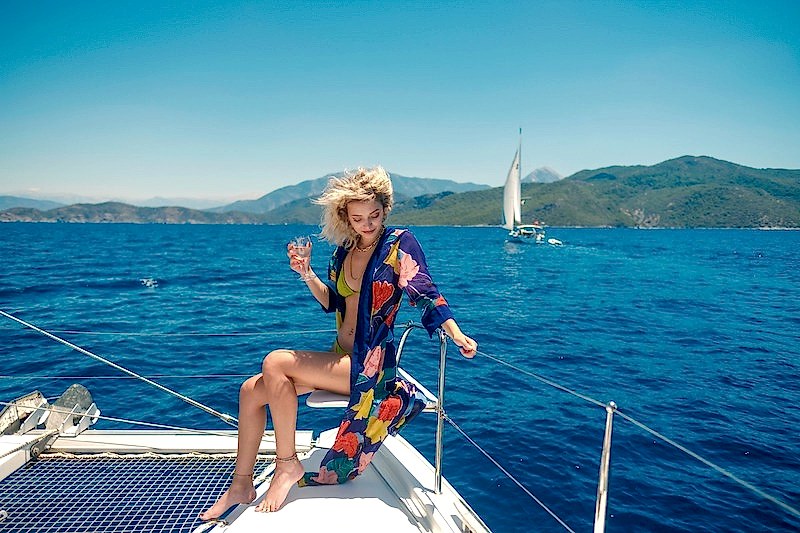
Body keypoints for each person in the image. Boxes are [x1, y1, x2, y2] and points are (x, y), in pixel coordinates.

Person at [200, 166, 477, 520]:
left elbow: (425, 292)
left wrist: (455, 333)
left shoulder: (399, 244)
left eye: (374, 215)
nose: (368, 224)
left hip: (369, 367)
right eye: (358, 218)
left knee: (275, 362)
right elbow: (334, 302)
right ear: (346, 216)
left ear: (385, 210)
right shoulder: (344, 251)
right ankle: (241, 484)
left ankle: (287, 465)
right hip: (339, 358)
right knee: (250, 391)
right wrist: (306, 273)